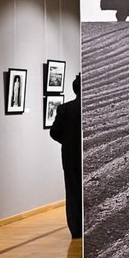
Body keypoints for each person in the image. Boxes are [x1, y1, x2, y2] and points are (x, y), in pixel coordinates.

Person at [49, 73, 82, 239]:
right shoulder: (89, 109)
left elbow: (54, 132)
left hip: (70, 157)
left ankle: (76, 229)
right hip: (85, 157)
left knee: (73, 192)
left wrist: (67, 142)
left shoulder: (65, 109)